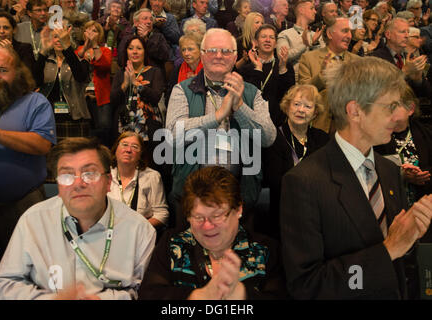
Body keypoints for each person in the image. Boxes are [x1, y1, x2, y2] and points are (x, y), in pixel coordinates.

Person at [280, 56, 432, 299]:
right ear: (355, 111)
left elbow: (401, 266)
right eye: (390, 106)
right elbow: (309, 286)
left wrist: (412, 234)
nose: (400, 114)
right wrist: (388, 250)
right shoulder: (304, 182)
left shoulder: (390, 171)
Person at [0, 137, 156, 299]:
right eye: (67, 175)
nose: (78, 183)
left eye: (89, 173)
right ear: (58, 186)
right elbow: (6, 282)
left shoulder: (139, 230)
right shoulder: (33, 220)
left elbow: (144, 292)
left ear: (108, 182)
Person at [166, 28, 276, 229]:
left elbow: (268, 137)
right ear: (202, 55)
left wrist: (239, 107)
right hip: (192, 194)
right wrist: (217, 116)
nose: (218, 55)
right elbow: (173, 135)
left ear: (235, 57)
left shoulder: (252, 92)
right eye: (212, 50)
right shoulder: (182, 89)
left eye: (226, 51)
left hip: (240, 194)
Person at [138, 166, 286, 300]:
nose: (207, 226)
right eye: (198, 217)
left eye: (217, 216)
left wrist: (242, 296)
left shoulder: (266, 250)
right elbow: (149, 295)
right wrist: (198, 296)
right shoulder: (171, 244)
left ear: (238, 209)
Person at [0, 46, 56, 279]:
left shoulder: (35, 102)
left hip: (23, 206)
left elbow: (43, 144)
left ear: (18, 73)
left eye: (2, 70)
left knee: (27, 275)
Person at [262, 84, 329, 240]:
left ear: (315, 113)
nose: (301, 110)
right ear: (287, 107)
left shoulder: (322, 139)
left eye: (307, 106)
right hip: (284, 214)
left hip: (317, 212)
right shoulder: (275, 138)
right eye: (297, 104)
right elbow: (275, 180)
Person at [298, 17, 358, 133]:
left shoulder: (358, 62)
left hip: (350, 129)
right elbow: (303, 93)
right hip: (318, 128)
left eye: (351, 32)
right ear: (330, 34)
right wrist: (322, 75)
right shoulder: (309, 58)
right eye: (345, 31)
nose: (349, 36)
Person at [375, 86, 431, 208]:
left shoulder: (426, 134)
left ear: (410, 108)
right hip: (390, 207)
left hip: (424, 206)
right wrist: (401, 175)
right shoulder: (376, 137)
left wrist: (422, 176)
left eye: (393, 106)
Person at [35, 24, 91, 141]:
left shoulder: (80, 61)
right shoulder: (44, 61)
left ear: (69, 39)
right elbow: (35, 82)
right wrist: (43, 51)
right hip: (49, 118)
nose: (59, 40)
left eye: (63, 37)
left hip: (75, 118)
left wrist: (67, 48)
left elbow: (81, 77)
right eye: (56, 36)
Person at [111, 35, 164, 152]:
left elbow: (156, 97)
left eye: (139, 48)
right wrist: (125, 83)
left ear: (145, 52)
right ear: (126, 52)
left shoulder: (155, 72)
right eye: (131, 48)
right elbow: (113, 100)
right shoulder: (121, 73)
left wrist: (136, 84)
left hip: (148, 125)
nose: (134, 52)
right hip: (124, 124)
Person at [108, 131, 169, 231]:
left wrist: (138, 227)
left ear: (140, 154)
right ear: (116, 149)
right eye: (124, 145)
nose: (128, 150)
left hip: (140, 234)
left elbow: (162, 214)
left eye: (135, 147)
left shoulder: (152, 177)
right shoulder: (105, 175)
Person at [238, 24, 295, 126]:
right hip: (251, 123)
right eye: (263, 37)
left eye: (272, 37)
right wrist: (258, 69)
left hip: (277, 122)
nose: (268, 40)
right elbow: (249, 97)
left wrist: (282, 69)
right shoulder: (246, 69)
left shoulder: (285, 66)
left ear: (276, 44)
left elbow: (288, 95)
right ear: (255, 42)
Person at [75, 20, 112, 147]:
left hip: (101, 98)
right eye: (88, 30)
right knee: (85, 132)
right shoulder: (79, 50)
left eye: (94, 31)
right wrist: (86, 46)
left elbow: (104, 66)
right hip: (82, 98)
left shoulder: (105, 50)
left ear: (100, 35)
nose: (90, 33)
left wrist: (94, 44)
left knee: (103, 130)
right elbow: (75, 63)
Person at [277, 0, 323, 79]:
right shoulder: (285, 34)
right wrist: (304, 45)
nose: (315, 12)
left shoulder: (316, 35)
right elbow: (283, 57)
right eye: (311, 8)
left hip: (316, 81)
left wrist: (315, 44)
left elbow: (323, 59)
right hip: (294, 82)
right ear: (301, 10)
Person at [0, 12, 35, 77]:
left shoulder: (25, 48)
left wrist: (11, 54)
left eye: (6, 28)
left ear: (14, 30)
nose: (2, 31)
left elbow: (27, 75)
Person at [166, 33, 203, 107]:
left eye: (190, 49)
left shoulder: (208, 69)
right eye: (183, 50)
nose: (186, 53)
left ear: (200, 50)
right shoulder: (177, 70)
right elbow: (169, 98)